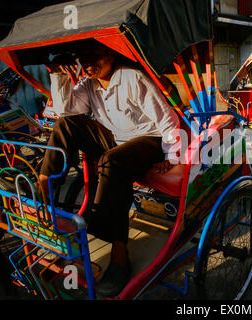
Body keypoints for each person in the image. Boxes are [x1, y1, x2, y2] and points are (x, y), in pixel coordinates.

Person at [40, 45, 180, 297]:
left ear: (111, 55)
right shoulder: (88, 83)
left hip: (148, 139)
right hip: (116, 139)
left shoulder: (131, 77)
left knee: (109, 162)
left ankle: (118, 250)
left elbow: (166, 119)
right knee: (65, 124)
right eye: (85, 58)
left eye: (94, 57)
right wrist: (59, 75)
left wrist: (171, 155)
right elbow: (66, 111)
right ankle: (45, 187)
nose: (89, 63)